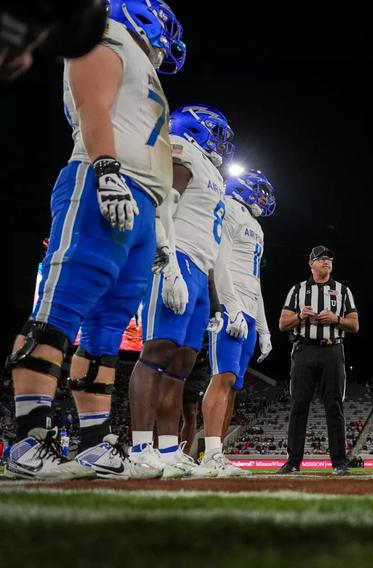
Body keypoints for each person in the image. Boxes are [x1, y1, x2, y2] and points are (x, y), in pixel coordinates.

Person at [4, 0, 185, 480]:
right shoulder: (107, 34)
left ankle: (94, 445)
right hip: (104, 180)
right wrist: (106, 170)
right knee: (60, 307)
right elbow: (91, 102)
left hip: (142, 200)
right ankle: (28, 441)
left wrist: (162, 231)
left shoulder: (141, 62)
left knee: (106, 331)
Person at [130, 104, 235, 479]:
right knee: (156, 352)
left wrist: (215, 300)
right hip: (178, 258)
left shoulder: (213, 172)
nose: (223, 142)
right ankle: (141, 448)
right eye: (217, 131)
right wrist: (168, 261)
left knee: (182, 364)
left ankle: (169, 450)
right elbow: (163, 205)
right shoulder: (182, 147)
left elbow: (211, 240)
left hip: (200, 269)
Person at [197, 169, 275, 477]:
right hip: (233, 308)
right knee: (223, 378)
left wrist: (264, 327)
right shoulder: (228, 208)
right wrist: (231, 307)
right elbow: (219, 262)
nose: (265, 198)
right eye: (260, 190)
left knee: (234, 387)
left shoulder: (256, 226)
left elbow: (255, 281)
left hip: (250, 311)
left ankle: (220, 454)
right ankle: (210, 453)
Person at [277, 245, 359, 476]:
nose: (326, 262)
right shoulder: (297, 290)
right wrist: (300, 315)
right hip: (304, 350)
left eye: (329, 259)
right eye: (321, 259)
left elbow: (354, 324)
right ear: (310, 264)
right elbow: (283, 324)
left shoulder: (342, 290)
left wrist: (336, 319)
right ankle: (293, 461)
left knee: (334, 406)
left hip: (332, 351)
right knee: (298, 406)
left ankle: (339, 462)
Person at [180, 336, 212, 459]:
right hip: (174, 355)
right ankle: (160, 450)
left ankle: (184, 456)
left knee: (190, 413)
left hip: (196, 371)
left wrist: (202, 353)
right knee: (163, 408)